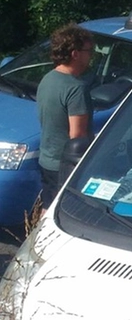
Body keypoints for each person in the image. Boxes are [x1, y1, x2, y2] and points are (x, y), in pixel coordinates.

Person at [36, 24, 95, 210]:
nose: (91, 55)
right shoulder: (76, 88)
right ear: (75, 53)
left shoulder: (48, 78)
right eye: (88, 51)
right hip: (66, 166)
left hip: (46, 159)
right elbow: (77, 136)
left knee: (47, 209)